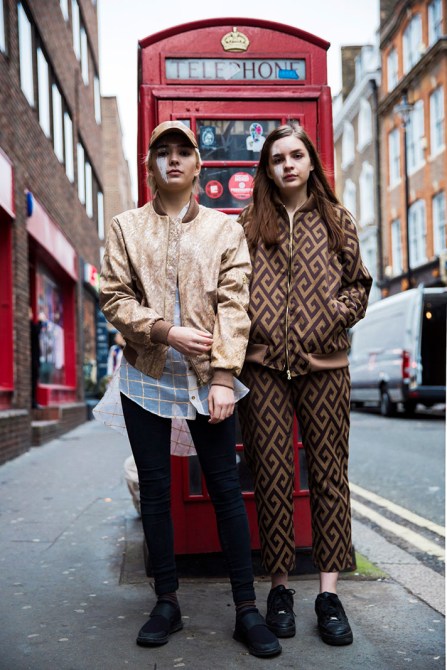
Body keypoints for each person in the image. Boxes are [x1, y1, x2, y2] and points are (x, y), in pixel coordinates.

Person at [98, 120, 281, 658]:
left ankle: (246, 608)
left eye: (183, 151)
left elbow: (236, 304)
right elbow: (114, 296)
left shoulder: (225, 229)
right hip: (146, 373)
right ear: (151, 167)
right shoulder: (126, 227)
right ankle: (167, 602)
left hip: (207, 377)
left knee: (225, 488)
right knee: (155, 490)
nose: (173, 159)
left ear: (199, 164)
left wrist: (224, 376)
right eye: (163, 153)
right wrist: (165, 331)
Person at [237, 122, 372, 646]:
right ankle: (279, 589)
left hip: (325, 367)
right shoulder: (249, 223)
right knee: (272, 477)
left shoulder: (338, 219)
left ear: (311, 161)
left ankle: (328, 594)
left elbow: (359, 286)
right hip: (264, 368)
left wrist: (330, 316)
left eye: (296, 155)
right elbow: (232, 290)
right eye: (277, 159)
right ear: (267, 169)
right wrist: (255, 329)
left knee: (329, 476)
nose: (288, 164)